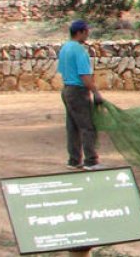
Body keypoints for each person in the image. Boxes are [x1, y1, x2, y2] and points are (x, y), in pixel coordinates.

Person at [58, 19, 104, 170]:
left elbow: (62, 71)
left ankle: (74, 160)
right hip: (78, 91)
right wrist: (95, 92)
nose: (87, 34)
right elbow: (85, 76)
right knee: (87, 126)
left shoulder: (65, 48)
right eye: (86, 32)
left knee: (72, 126)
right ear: (80, 32)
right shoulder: (79, 50)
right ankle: (91, 160)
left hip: (66, 89)